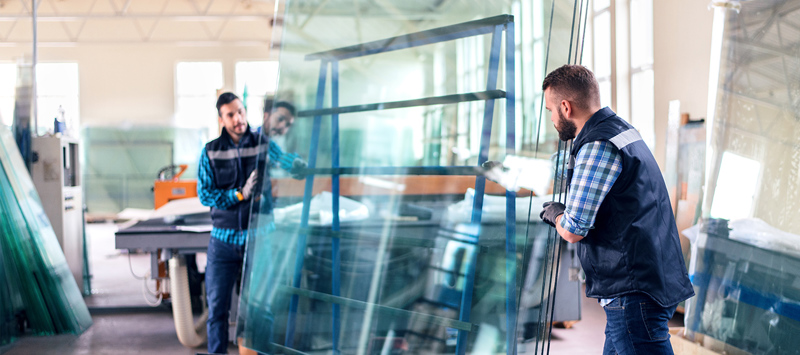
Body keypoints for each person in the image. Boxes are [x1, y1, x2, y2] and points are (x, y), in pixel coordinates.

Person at [538, 65, 694, 355]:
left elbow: (573, 229)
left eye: (550, 110)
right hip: (649, 277)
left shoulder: (597, 145)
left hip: (633, 291)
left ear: (565, 107)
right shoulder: (621, 130)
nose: (551, 118)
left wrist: (555, 213)